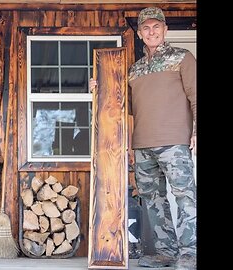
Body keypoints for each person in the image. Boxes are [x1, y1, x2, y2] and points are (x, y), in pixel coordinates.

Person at [90, 7, 196, 270]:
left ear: (165, 30)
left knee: (185, 196)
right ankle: (166, 252)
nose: (152, 32)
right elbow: (121, 107)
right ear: (139, 33)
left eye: (156, 27)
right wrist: (98, 86)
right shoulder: (134, 70)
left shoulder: (183, 58)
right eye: (146, 28)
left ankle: (190, 253)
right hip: (141, 145)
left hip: (175, 142)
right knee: (153, 199)